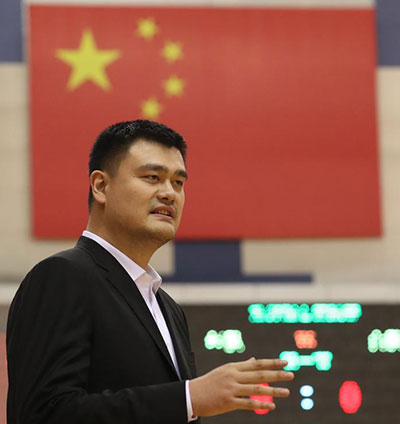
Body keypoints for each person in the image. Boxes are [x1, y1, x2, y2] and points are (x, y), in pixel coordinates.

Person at [6, 120, 294, 424]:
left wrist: (188, 402)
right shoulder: (61, 276)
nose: (169, 193)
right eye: (153, 177)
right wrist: (188, 398)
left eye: (178, 183)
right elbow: (42, 414)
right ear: (101, 186)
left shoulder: (168, 307)